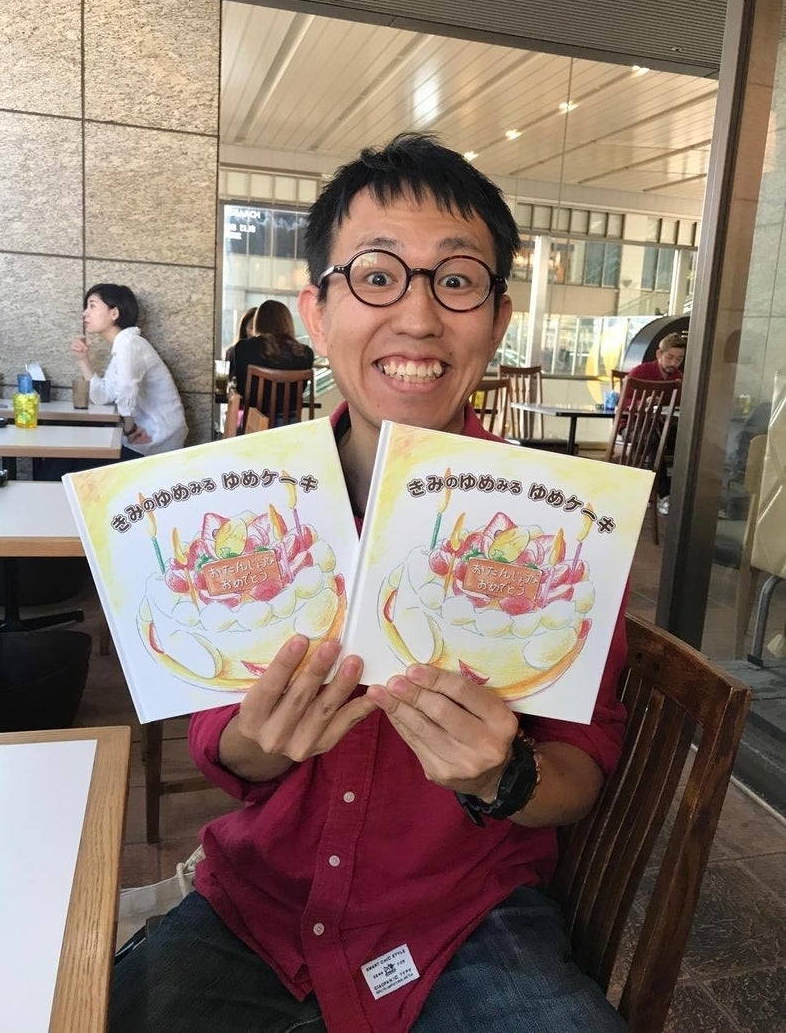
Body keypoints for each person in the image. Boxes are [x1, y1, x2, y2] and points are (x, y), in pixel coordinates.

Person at [109, 134, 628, 1033]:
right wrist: (262, 742)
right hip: (256, 907)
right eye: (377, 276)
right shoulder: (236, 509)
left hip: (469, 919)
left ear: (498, 319)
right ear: (317, 312)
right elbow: (219, 745)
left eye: (456, 280)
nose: (418, 318)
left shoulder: (561, 528)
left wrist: (503, 776)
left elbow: (579, 773)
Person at [73, 283, 187, 457]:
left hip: (156, 438)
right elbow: (102, 396)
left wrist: (130, 429)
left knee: (71, 458)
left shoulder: (129, 344)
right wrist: (83, 360)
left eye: (92, 306)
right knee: (72, 456)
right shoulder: (124, 345)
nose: (85, 313)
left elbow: (127, 388)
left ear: (114, 313)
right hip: (144, 435)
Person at [623, 331, 686, 515]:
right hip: (632, 425)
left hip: (663, 425)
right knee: (653, 441)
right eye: (670, 357)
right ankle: (664, 495)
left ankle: (678, 495)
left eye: (679, 359)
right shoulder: (640, 372)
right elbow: (623, 403)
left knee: (687, 442)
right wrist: (642, 403)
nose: (674, 363)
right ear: (659, 354)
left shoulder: (679, 378)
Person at [233, 298, 315, 421]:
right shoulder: (305, 353)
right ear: (287, 322)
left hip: (254, 423)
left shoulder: (243, 348)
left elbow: (241, 390)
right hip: (290, 424)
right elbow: (299, 392)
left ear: (258, 322)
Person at [225, 305, 257, 383]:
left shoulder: (270, 355)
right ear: (244, 329)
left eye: (259, 328)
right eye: (252, 327)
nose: (255, 333)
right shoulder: (232, 352)